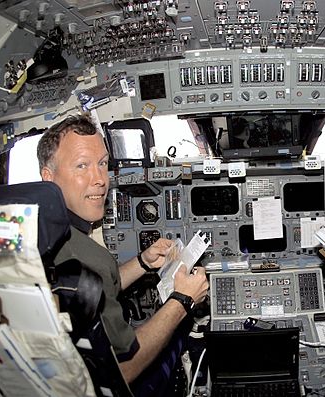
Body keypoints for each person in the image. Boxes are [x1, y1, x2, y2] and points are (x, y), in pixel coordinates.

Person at [37, 114, 209, 394]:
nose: (100, 180)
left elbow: (93, 288)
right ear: (49, 178)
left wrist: (143, 262)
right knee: (183, 331)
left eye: (102, 163)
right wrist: (183, 300)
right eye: (82, 166)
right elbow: (124, 368)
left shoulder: (49, 233)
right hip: (108, 384)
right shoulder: (82, 251)